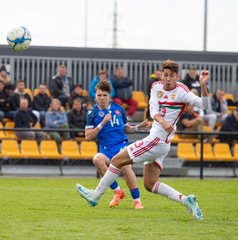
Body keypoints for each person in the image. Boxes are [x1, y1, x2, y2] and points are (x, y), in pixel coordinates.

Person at [76, 60, 211, 220]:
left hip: (158, 141)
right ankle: (186, 200)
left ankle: (96, 195)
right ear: (161, 74)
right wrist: (162, 122)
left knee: (117, 160)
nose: (167, 79)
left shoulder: (182, 92)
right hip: (159, 140)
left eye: (171, 76)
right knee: (150, 184)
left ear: (177, 77)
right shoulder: (156, 87)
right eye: (165, 75)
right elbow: (153, 109)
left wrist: (203, 85)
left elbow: (205, 105)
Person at [84, 80, 149, 209]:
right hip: (106, 148)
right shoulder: (91, 113)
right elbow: (88, 136)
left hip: (121, 145)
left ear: (109, 96)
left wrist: (137, 128)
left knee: (126, 168)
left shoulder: (118, 108)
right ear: (95, 96)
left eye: (104, 95)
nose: (102, 98)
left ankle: (137, 200)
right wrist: (102, 124)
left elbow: (126, 129)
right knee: (97, 159)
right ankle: (118, 191)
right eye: (99, 95)